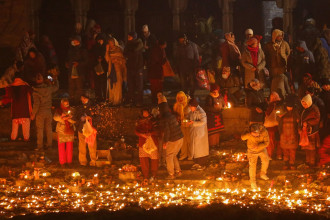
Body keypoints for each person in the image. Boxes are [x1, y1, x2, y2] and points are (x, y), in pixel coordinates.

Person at [30, 74, 59, 151]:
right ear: (43, 80)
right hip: (48, 112)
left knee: (40, 130)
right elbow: (56, 87)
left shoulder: (35, 91)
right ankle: (49, 145)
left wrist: (33, 114)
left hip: (40, 113)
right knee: (49, 129)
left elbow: (36, 104)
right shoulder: (49, 88)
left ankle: (40, 146)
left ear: (36, 81)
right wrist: (55, 79)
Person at [159, 99, 184, 179]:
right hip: (180, 138)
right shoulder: (172, 116)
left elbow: (167, 131)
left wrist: (165, 141)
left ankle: (171, 174)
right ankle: (178, 171)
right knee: (173, 155)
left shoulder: (165, 118)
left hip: (173, 139)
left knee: (169, 156)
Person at [241, 123, 270, 189]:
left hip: (261, 149)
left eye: (257, 134)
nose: (256, 136)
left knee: (266, 161)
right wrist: (249, 135)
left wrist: (258, 146)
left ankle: (262, 173)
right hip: (252, 151)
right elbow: (242, 138)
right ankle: (253, 182)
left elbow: (267, 143)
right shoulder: (248, 132)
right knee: (252, 166)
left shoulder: (264, 132)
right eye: (254, 134)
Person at [135, 108, 159, 183]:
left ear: (149, 113)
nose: (145, 114)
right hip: (143, 142)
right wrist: (142, 134)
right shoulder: (139, 121)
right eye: (144, 113)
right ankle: (145, 176)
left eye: (146, 112)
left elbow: (158, 130)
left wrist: (151, 134)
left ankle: (154, 176)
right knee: (143, 159)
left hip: (152, 142)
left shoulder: (153, 120)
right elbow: (136, 130)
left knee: (154, 159)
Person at [7, 74, 32, 141]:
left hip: (15, 112)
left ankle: (13, 138)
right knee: (26, 128)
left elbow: (8, 96)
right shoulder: (26, 86)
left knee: (14, 128)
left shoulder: (11, 87)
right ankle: (26, 139)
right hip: (25, 111)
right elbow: (31, 92)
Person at [75, 94, 97, 167]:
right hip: (81, 129)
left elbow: (98, 117)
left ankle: (93, 161)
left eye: (84, 98)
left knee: (92, 146)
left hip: (91, 130)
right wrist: (82, 119)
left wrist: (91, 117)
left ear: (88, 98)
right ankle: (82, 162)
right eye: (82, 98)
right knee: (82, 146)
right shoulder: (79, 107)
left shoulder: (94, 107)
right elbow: (76, 117)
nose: (83, 100)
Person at [187, 98, 209, 170]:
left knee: (200, 149)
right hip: (194, 132)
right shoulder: (191, 112)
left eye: (190, 107)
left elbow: (203, 122)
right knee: (194, 149)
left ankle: (201, 164)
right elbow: (190, 118)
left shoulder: (201, 112)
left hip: (200, 134)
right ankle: (196, 163)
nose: (190, 108)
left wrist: (193, 123)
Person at [299, 94, 320, 167]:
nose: (304, 105)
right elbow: (301, 120)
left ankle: (312, 162)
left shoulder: (314, 109)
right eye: (303, 104)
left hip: (312, 132)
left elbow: (317, 119)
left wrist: (308, 122)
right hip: (305, 132)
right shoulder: (304, 110)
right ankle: (307, 161)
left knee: (312, 149)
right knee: (307, 148)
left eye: (305, 103)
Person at [124, 32, 144, 106]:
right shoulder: (128, 44)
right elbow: (125, 53)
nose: (128, 38)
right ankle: (131, 100)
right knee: (130, 85)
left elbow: (134, 52)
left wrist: (129, 54)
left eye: (129, 37)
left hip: (138, 67)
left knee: (139, 86)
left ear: (133, 37)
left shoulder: (138, 44)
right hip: (130, 67)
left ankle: (139, 101)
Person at [278, 97, 299, 170]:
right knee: (285, 149)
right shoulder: (282, 112)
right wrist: (279, 117)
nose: (290, 108)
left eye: (291, 107)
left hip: (292, 133)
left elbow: (298, 122)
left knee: (292, 150)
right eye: (288, 107)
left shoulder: (295, 112)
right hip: (284, 133)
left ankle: (292, 163)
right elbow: (278, 120)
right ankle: (286, 162)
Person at [53, 99, 75, 167]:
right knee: (61, 146)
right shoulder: (59, 110)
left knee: (70, 146)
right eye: (64, 104)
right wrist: (61, 117)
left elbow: (74, 120)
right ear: (62, 104)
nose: (66, 105)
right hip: (61, 129)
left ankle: (69, 161)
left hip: (69, 129)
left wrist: (68, 118)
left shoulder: (72, 110)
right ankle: (62, 162)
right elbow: (55, 117)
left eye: (67, 103)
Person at [105, 38, 127, 105]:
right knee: (112, 85)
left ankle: (117, 100)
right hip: (111, 69)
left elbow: (123, 60)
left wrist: (117, 60)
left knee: (117, 85)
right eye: (109, 42)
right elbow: (107, 59)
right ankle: (112, 99)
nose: (110, 44)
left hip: (118, 69)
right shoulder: (109, 50)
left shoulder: (119, 49)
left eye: (111, 42)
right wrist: (107, 50)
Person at [66, 36, 88, 103]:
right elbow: (68, 58)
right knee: (71, 87)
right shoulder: (70, 50)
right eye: (74, 41)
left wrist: (78, 63)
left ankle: (78, 101)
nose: (75, 43)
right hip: (71, 71)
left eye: (76, 41)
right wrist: (67, 63)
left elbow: (86, 61)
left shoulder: (82, 50)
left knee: (79, 87)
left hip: (79, 72)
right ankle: (72, 101)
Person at [173, 91, 192, 160]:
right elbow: (175, 115)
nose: (180, 99)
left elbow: (191, 114)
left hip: (189, 125)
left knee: (189, 140)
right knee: (182, 141)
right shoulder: (176, 106)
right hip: (180, 126)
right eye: (179, 97)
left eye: (182, 97)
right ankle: (184, 154)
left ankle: (190, 154)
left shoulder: (188, 105)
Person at [264, 92, 282, 159]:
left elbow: (267, 113)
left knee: (270, 142)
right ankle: (279, 155)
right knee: (278, 142)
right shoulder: (280, 105)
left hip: (270, 127)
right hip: (278, 126)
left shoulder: (271, 105)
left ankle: (269, 155)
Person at [92, 33, 108, 102]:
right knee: (97, 83)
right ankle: (98, 97)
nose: (100, 42)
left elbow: (107, 56)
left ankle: (104, 97)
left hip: (104, 67)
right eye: (99, 40)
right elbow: (92, 56)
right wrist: (97, 59)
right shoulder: (95, 47)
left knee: (103, 83)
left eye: (101, 40)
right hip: (96, 67)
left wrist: (102, 59)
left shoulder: (105, 47)